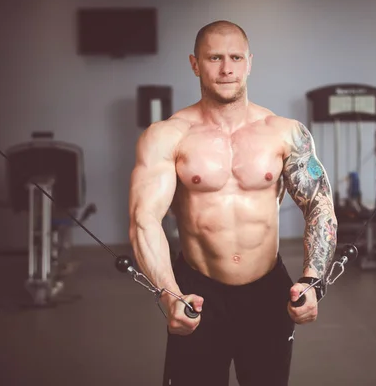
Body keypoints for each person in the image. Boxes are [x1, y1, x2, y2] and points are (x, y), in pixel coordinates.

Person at [128, 20, 338, 386]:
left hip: (269, 291)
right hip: (197, 290)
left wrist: (312, 280)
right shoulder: (168, 136)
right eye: (214, 58)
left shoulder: (285, 132)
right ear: (195, 64)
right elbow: (143, 219)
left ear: (249, 62)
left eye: (235, 57)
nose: (226, 69)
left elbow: (319, 206)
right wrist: (168, 293)